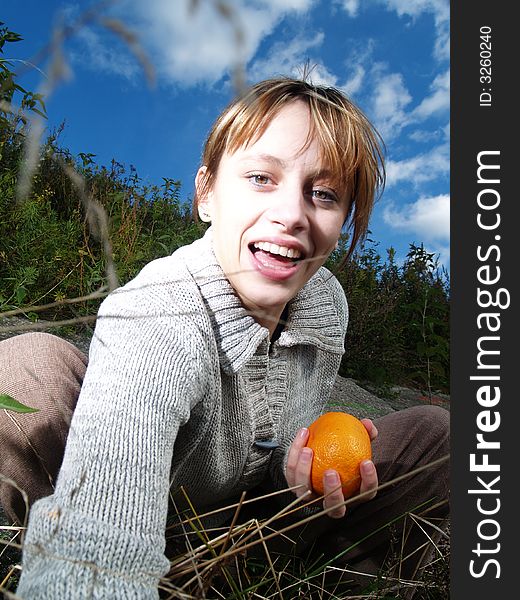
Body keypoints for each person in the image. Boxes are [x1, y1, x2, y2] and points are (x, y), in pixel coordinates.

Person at [0, 77, 449, 598]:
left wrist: (298, 475)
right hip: (130, 512)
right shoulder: (157, 313)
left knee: (437, 437)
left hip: (243, 536)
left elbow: (273, 449)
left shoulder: (327, 306)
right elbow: (100, 543)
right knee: (27, 371)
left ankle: (345, 582)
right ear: (206, 194)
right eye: (262, 177)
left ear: (345, 219)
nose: (291, 214)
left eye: (323, 194)